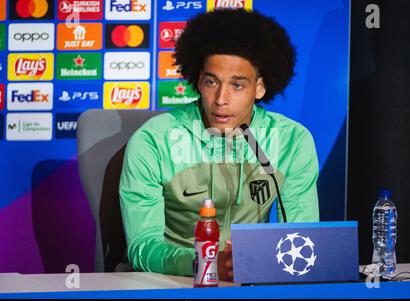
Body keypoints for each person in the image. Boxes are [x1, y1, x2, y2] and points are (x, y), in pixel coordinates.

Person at [119, 9, 319, 281]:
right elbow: (142, 247)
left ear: (259, 87)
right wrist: (206, 262)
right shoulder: (153, 140)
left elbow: (301, 240)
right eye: (212, 82)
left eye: (237, 85)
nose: (221, 99)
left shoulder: (292, 141)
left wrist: (257, 260)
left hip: (249, 280)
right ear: (199, 80)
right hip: (173, 281)